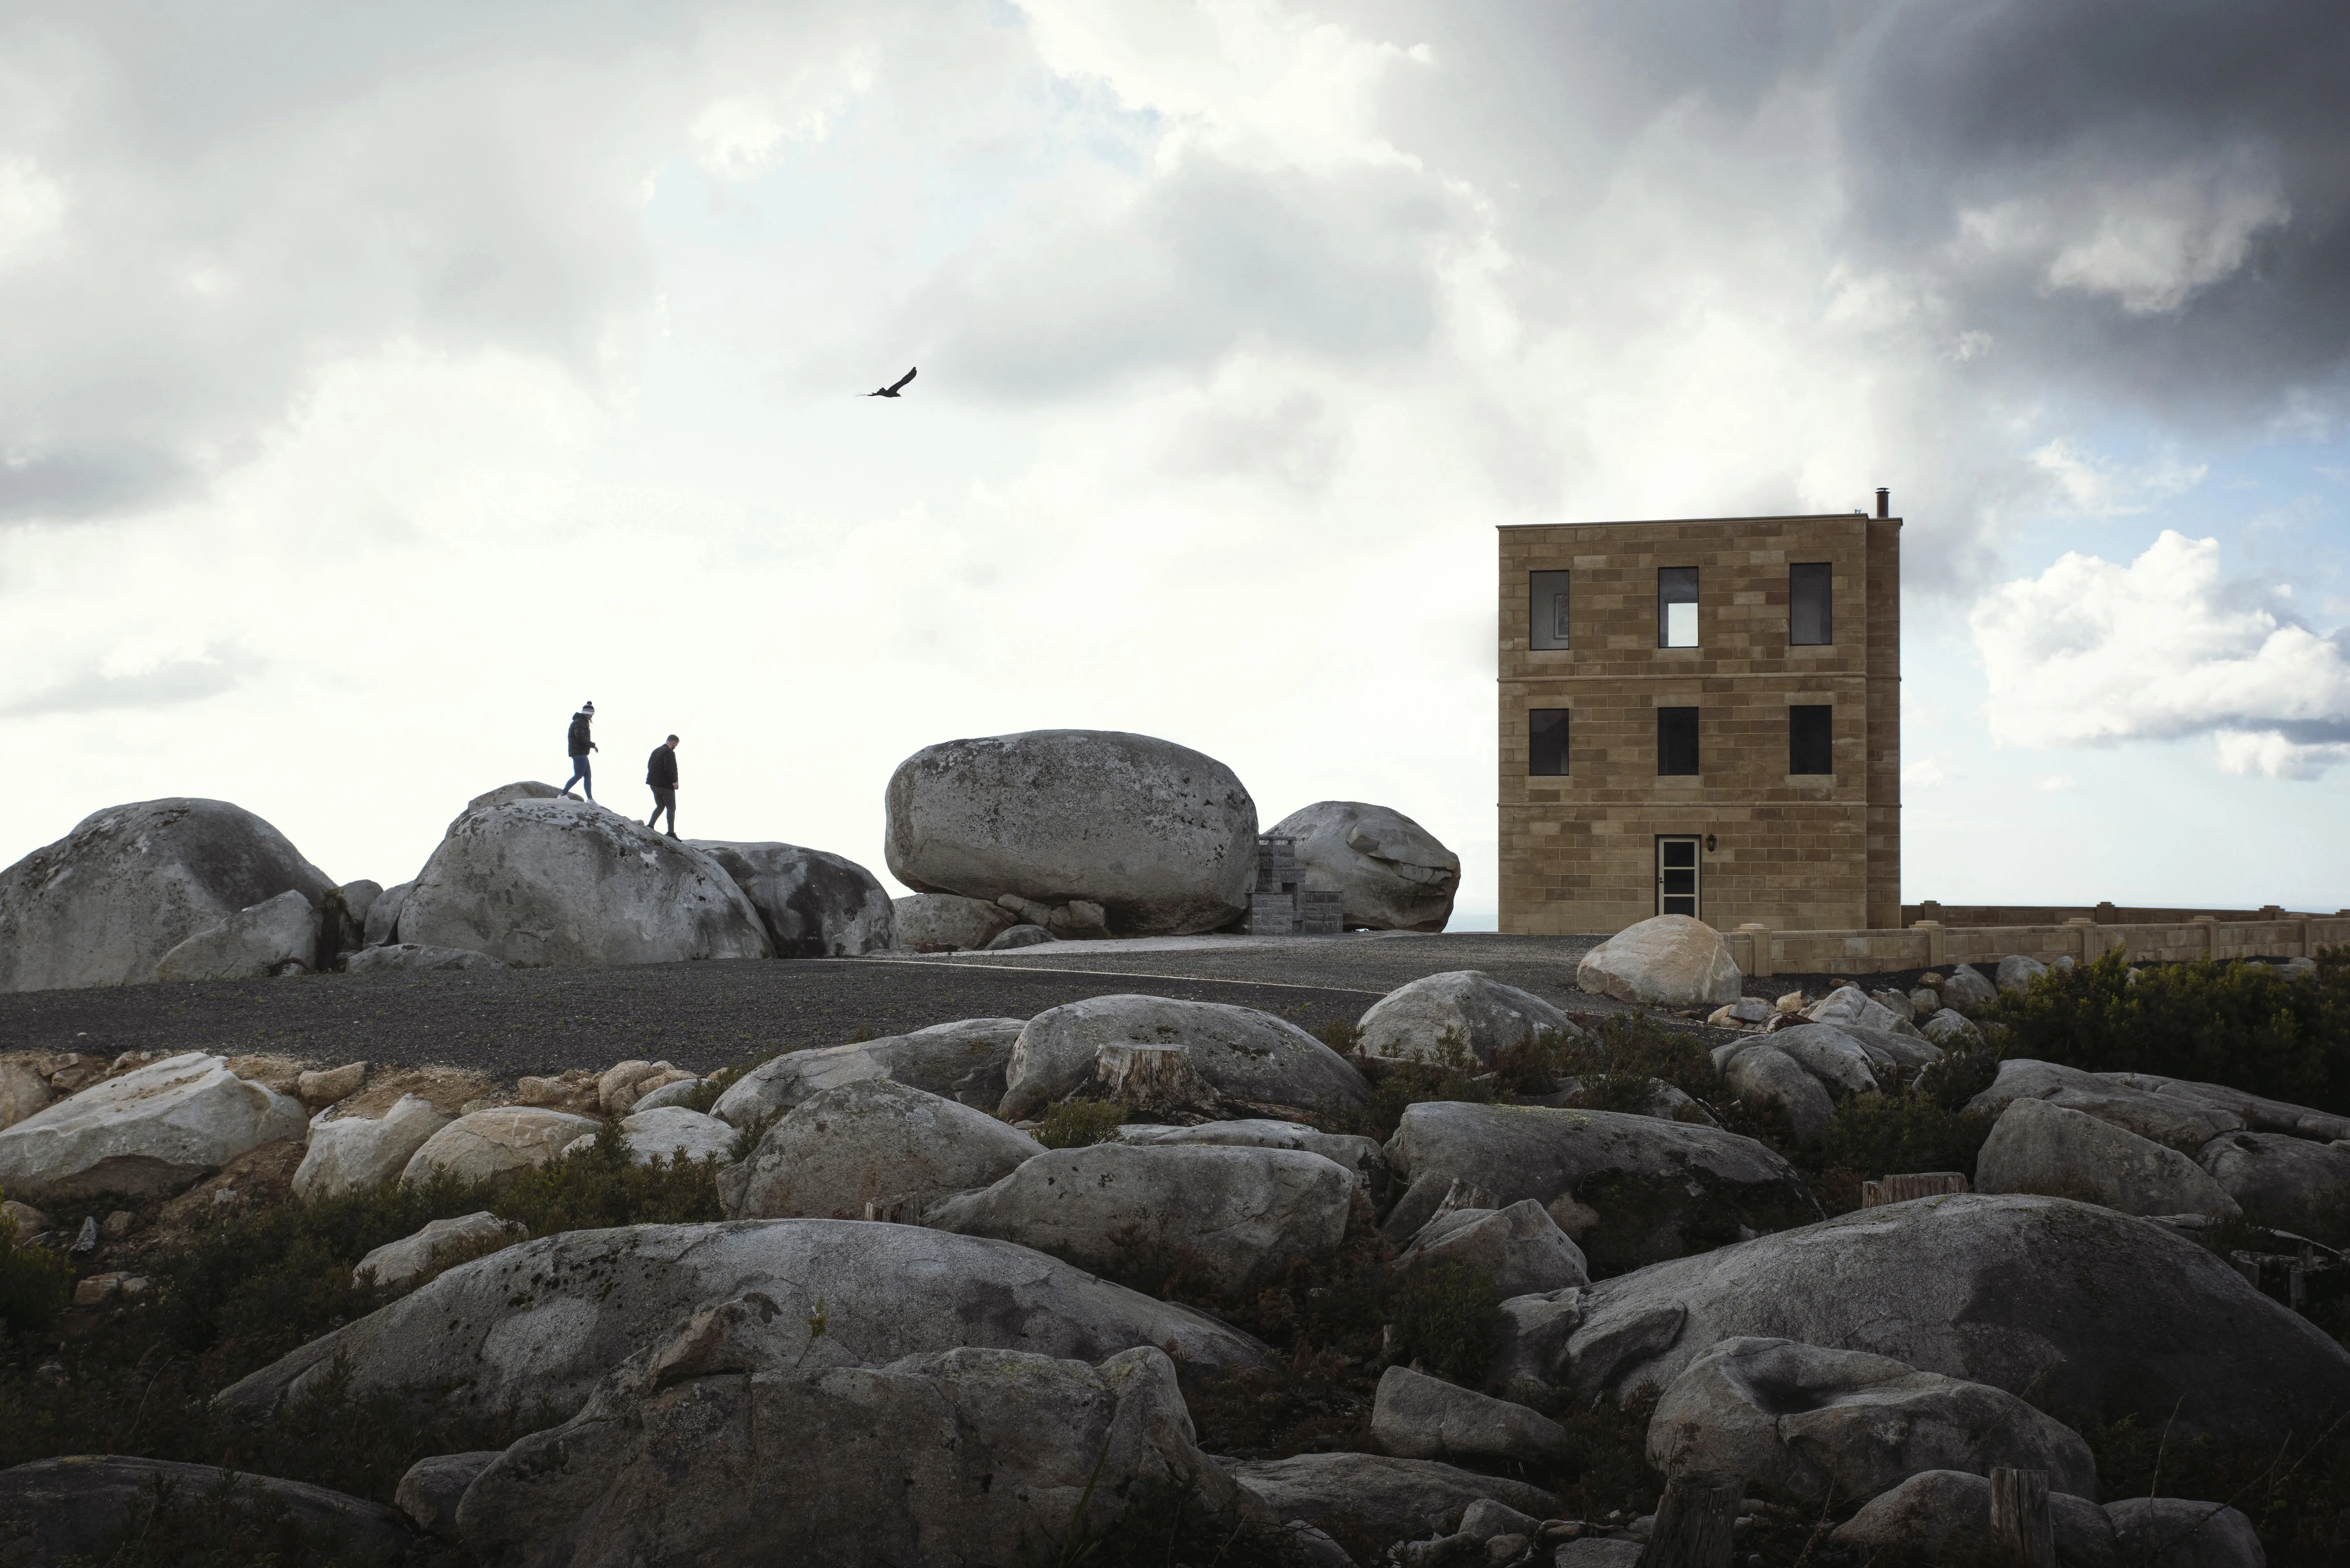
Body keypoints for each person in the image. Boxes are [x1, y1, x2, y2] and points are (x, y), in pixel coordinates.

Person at [561, 702, 598, 800]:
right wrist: (593, 745)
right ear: (587, 714)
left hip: (582, 753)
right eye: (591, 715)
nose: (592, 717)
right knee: (578, 775)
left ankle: (590, 799)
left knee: (588, 776)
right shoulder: (580, 722)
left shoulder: (581, 722)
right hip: (579, 753)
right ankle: (563, 795)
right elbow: (580, 737)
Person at [646, 734, 680, 837]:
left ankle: (650, 826)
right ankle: (671, 833)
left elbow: (649, 765)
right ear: (673, 742)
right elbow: (669, 768)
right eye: (676, 745)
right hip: (665, 785)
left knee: (660, 806)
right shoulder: (669, 753)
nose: (675, 748)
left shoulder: (656, 751)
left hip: (653, 784)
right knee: (671, 808)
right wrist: (674, 782)